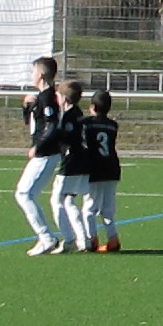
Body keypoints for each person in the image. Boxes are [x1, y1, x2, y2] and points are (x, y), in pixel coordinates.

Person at [16, 56, 65, 255]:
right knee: (27, 194)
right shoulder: (42, 97)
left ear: (41, 74)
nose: (31, 74)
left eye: (33, 71)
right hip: (45, 153)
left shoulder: (48, 97)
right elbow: (32, 124)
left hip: (46, 154)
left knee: (24, 194)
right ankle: (47, 237)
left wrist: (38, 146)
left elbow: (52, 125)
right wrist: (27, 107)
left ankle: (46, 238)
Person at [52, 80, 91, 253]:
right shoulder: (78, 113)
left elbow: (64, 138)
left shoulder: (69, 116)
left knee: (56, 200)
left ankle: (68, 239)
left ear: (64, 98)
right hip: (83, 162)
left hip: (72, 163)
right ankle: (83, 240)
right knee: (69, 201)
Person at [81, 90, 122, 253]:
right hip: (112, 167)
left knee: (89, 208)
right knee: (108, 209)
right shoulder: (112, 125)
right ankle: (113, 239)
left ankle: (92, 239)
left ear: (92, 106)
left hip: (95, 168)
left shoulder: (86, 123)